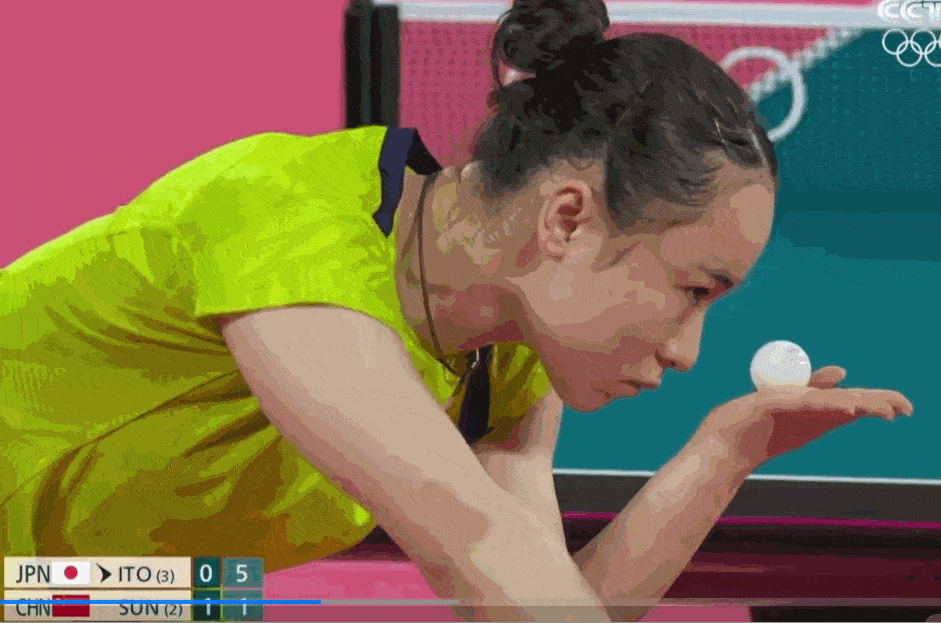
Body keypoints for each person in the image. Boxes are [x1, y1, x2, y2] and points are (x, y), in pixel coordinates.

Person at [1, 0, 913, 621]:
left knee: (220, 597)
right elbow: (485, 561)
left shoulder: (503, 356)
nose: (687, 351)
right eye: (693, 289)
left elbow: (544, 599)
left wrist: (723, 454)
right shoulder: (290, 229)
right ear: (566, 219)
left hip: (73, 589)